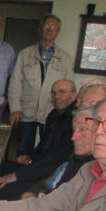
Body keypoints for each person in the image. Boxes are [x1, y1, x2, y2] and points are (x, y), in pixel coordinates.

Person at [0, 79, 77, 202]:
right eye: (53, 93)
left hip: (49, 176)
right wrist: (30, 157)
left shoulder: (74, 122)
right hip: (38, 166)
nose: (56, 97)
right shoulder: (54, 115)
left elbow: (55, 161)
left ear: (73, 96)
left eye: (61, 92)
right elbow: (43, 146)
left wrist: (17, 175)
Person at [8, 15, 74, 156]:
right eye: (46, 26)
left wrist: (64, 114)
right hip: (26, 112)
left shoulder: (65, 58)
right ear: (40, 29)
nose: (49, 30)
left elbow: (69, 89)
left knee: (47, 152)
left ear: (58, 32)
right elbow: (15, 83)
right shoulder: (25, 54)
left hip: (52, 113)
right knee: (23, 151)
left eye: (53, 27)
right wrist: (15, 108)